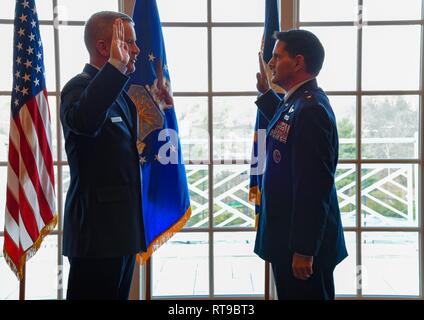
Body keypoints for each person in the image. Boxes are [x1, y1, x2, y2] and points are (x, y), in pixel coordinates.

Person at [60, 11, 166, 300]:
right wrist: (116, 68)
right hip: (96, 236)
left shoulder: (118, 93)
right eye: (129, 42)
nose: (136, 50)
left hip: (121, 231)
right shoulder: (77, 87)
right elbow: (84, 120)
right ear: (104, 48)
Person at [254, 29, 348, 300]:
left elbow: (313, 185)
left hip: (303, 245)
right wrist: (264, 94)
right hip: (288, 238)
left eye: (276, 56)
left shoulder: (311, 109)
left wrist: (305, 249)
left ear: (298, 62)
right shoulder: (297, 101)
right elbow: (286, 129)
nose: (270, 63)